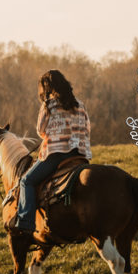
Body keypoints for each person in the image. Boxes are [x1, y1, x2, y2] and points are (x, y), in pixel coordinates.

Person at [14, 69, 91, 236]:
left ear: (48, 87)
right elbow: (87, 128)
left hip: (57, 153)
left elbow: (41, 130)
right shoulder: (80, 104)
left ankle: (25, 221)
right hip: (79, 154)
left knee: (26, 181)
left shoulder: (49, 105)